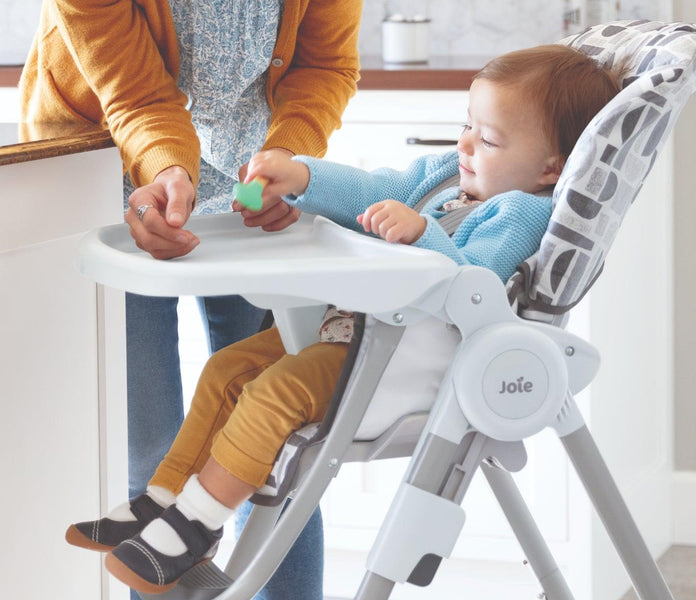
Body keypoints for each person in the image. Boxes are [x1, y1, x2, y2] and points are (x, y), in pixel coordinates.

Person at [21, 0, 369, 600]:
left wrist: (289, 156)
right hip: (106, 158)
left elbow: (325, 64)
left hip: (259, 174)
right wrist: (167, 174)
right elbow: (132, 92)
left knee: (276, 424)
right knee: (146, 428)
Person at [64, 44, 620, 596]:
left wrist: (424, 235)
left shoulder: (518, 210)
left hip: (402, 362)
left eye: (490, 139)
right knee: (226, 369)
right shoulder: (447, 178)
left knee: (270, 395)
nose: (465, 145)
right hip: (354, 333)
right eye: (467, 125)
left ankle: (196, 523)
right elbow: (376, 188)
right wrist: (300, 175)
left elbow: (477, 286)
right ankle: (162, 500)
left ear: (552, 166)